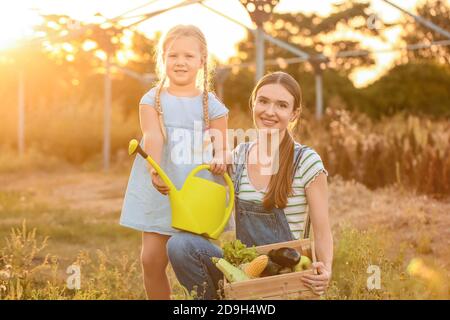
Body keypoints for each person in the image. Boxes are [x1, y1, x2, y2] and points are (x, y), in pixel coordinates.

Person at [165, 71, 333, 299]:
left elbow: (322, 231)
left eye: (282, 105)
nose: (270, 111)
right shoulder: (238, 156)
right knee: (180, 245)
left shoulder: (306, 161)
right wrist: (170, 179)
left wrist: (326, 270)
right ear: (253, 103)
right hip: (244, 274)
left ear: (294, 114)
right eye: (263, 101)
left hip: (286, 278)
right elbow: (205, 210)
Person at [120, 24, 229, 300]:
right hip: (163, 186)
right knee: (151, 260)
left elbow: (223, 146)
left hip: (197, 190)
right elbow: (153, 135)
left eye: (189, 56)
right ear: (163, 59)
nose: (180, 62)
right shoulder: (152, 99)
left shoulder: (211, 104)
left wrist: (220, 157)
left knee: (191, 257)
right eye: (173, 56)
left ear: (202, 61)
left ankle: (206, 299)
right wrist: (154, 169)